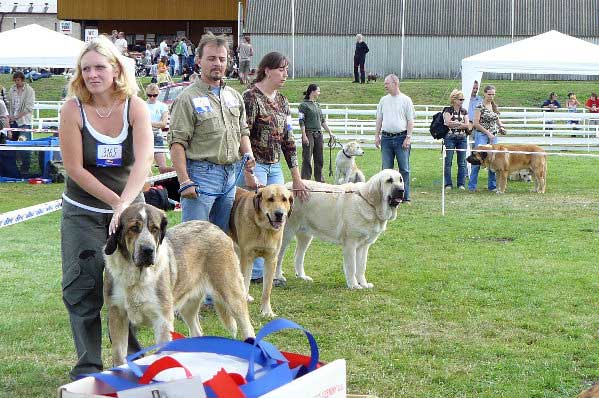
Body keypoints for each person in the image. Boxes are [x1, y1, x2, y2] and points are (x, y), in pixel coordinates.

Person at [58, 35, 154, 380]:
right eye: (86, 69)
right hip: (83, 210)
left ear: (116, 68)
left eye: (99, 67)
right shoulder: (72, 109)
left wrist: (125, 205)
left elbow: (143, 160)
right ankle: (87, 366)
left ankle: (132, 358)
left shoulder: (135, 106)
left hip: (130, 212)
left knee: (130, 286)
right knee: (83, 287)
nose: (92, 74)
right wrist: (115, 202)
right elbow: (75, 168)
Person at [168, 32, 255, 233]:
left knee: (219, 241)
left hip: (230, 175)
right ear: (198, 61)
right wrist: (184, 181)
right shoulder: (186, 98)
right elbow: (177, 143)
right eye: (211, 58)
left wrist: (248, 154)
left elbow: (243, 131)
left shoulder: (233, 96)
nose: (217, 63)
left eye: (222, 59)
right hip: (200, 176)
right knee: (193, 240)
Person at [242, 51, 309, 283]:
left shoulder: (282, 101)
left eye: (286, 70)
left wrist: (296, 177)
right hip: (256, 165)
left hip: (275, 167)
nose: (285, 74)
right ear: (267, 70)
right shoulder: (250, 98)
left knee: (278, 217)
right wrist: (247, 170)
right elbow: (243, 136)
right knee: (254, 217)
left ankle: (269, 269)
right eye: (281, 69)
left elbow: (288, 140)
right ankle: (255, 272)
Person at [374, 74, 415, 203]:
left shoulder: (406, 100)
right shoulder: (383, 100)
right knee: (386, 169)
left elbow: (410, 120)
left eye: (387, 83)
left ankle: (405, 197)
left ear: (395, 83)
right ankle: (386, 196)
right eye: (385, 83)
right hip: (386, 138)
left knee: (404, 169)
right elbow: (379, 119)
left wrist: (408, 137)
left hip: (401, 137)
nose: (385, 86)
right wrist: (377, 135)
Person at [468, 85, 506, 192]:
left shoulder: (493, 106)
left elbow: (497, 120)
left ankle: (492, 186)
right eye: (489, 94)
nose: (491, 96)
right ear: (484, 93)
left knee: (493, 160)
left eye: (493, 94)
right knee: (477, 159)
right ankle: (472, 186)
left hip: (494, 136)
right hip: (482, 135)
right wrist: (488, 133)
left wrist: (501, 127)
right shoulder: (479, 106)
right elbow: (476, 123)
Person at [298, 84, 333, 182]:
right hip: (309, 133)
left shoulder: (317, 105)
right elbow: (301, 121)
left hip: (318, 134)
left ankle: (320, 180)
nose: (319, 93)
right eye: (318, 91)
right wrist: (304, 135)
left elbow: (322, 120)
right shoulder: (303, 105)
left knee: (319, 158)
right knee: (307, 158)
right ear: (312, 91)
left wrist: (330, 132)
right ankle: (305, 180)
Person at [442, 89, 469, 190]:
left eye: (463, 99)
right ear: (454, 100)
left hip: (462, 138)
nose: (462, 101)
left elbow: (467, 125)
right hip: (450, 138)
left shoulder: (464, 111)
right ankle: (448, 184)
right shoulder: (447, 110)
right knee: (448, 161)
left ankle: (461, 184)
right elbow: (448, 123)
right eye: (460, 99)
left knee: (462, 162)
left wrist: (457, 124)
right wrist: (461, 124)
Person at [145, 83, 173, 174]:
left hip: (157, 136)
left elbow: (163, 124)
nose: (152, 97)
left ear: (158, 94)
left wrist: (147, 123)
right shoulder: (141, 105)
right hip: (143, 136)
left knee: (163, 168)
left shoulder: (162, 106)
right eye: (149, 95)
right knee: (145, 169)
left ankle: (180, 173)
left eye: (155, 95)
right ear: (146, 94)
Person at [7, 71, 35, 141]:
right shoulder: (11, 90)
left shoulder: (30, 91)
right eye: (15, 80)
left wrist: (17, 116)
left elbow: (29, 107)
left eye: (18, 80)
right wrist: (10, 117)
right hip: (12, 121)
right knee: (11, 143)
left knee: (23, 143)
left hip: (24, 121)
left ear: (23, 80)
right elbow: (8, 104)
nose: (16, 82)